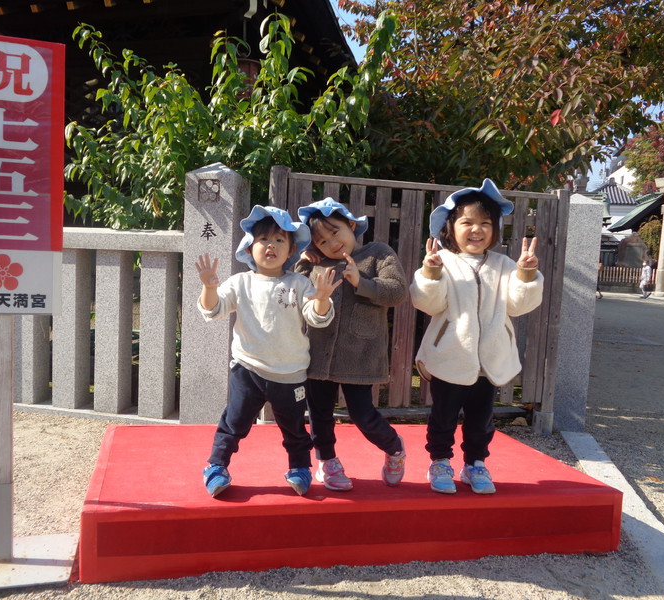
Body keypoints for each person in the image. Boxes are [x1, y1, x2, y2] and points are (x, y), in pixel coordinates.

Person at [196, 205, 341, 498]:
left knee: (294, 428)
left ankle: (300, 468)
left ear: (291, 250)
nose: (270, 245)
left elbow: (316, 316)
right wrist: (209, 287)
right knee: (234, 421)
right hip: (247, 369)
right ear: (249, 249)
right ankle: (216, 466)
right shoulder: (240, 282)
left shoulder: (299, 283)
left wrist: (323, 299)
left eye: (278, 240)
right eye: (263, 239)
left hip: (290, 374)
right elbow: (213, 310)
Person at [410, 179, 543, 495]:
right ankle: (440, 461)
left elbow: (518, 304)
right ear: (450, 227)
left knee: (481, 420)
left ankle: (475, 464)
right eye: (467, 222)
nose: (477, 229)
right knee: (442, 416)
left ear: (496, 230)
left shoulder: (503, 264)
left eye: (486, 223)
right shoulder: (445, 262)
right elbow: (427, 302)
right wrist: (431, 273)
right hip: (450, 358)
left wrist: (525, 274)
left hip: (490, 360)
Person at [295, 198, 408, 491]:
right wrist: (303, 262)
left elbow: (397, 292)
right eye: (320, 240)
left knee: (362, 414)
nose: (330, 242)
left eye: (335, 232)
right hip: (317, 353)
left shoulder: (378, 253)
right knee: (318, 413)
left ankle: (394, 447)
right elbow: (293, 292)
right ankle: (327, 461)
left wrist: (362, 282)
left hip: (361, 354)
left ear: (352, 226)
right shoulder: (316, 263)